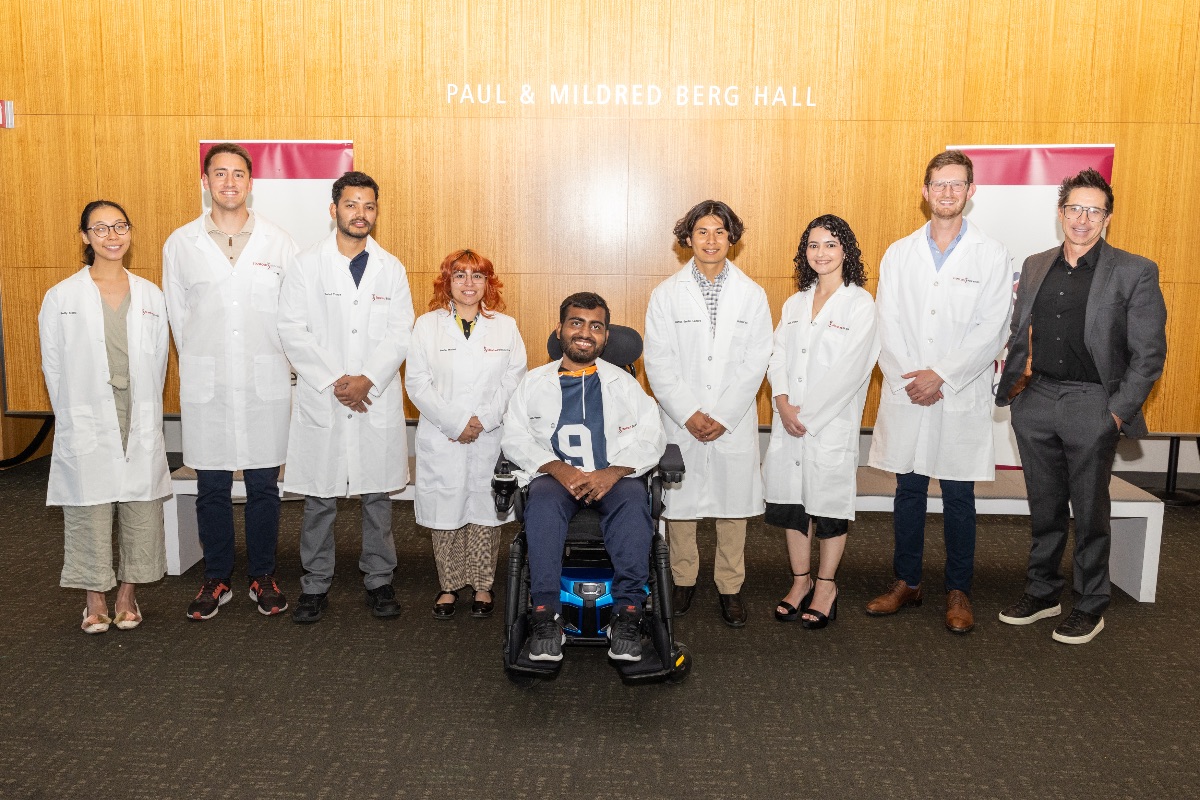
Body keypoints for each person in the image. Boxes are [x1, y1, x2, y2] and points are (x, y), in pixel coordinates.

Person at [995, 168, 1167, 645]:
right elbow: (1018, 334)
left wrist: (1115, 412)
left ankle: (1091, 604)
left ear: (1107, 219)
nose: (1082, 219)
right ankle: (1043, 591)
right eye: (1074, 209)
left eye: (1093, 211)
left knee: (1090, 511)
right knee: (1044, 504)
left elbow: (1149, 354)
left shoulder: (1134, 271)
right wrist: (1016, 393)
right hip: (1037, 400)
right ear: (1060, 213)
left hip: (1093, 403)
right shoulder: (1035, 265)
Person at [866, 150, 1013, 634]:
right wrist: (915, 377)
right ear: (925, 191)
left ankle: (958, 590)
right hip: (910, 389)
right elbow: (885, 322)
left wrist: (943, 376)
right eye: (938, 184)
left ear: (971, 192)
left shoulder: (990, 255)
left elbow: (992, 329)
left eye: (957, 184)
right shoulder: (899, 252)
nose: (947, 192)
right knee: (907, 490)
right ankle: (906, 581)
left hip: (958, 392)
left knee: (958, 493)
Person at [163, 142, 298, 620]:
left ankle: (264, 576)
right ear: (205, 182)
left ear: (250, 183)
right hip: (209, 381)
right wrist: (201, 361)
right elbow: (179, 319)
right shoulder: (181, 243)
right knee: (212, 487)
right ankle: (216, 577)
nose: (229, 182)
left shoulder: (279, 241)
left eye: (238, 174)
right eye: (219, 174)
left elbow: (292, 314)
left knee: (265, 486)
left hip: (265, 382)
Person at [277, 171, 414, 624]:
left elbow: (400, 334)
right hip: (328, 395)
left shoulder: (390, 267)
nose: (361, 214)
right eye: (352, 204)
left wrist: (367, 380)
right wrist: (339, 380)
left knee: (377, 496)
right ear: (334, 209)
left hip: (372, 396)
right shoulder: (306, 264)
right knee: (320, 495)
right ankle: (315, 584)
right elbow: (292, 329)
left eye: (369, 206)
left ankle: (379, 579)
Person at [501, 293, 666, 663]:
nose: (585, 333)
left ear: (606, 337)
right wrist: (557, 468)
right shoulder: (533, 383)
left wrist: (614, 472)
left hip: (614, 478)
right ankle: (546, 616)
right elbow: (514, 437)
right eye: (576, 322)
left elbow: (653, 437)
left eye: (596, 326)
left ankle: (626, 615)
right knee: (540, 499)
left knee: (633, 497)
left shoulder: (625, 386)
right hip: (555, 480)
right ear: (559, 329)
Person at [39, 200, 171, 633]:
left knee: (140, 506)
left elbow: (159, 363)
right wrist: (74, 418)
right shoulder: (61, 296)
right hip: (89, 413)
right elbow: (53, 366)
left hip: (138, 409)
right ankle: (94, 598)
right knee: (89, 506)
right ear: (85, 237)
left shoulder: (151, 295)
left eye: (120, 226)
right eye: (100, 228)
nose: (112, 236)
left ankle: (128, 594)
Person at [643, 200, 772, 627]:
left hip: (730, 421)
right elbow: (658, 363)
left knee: (732, 506)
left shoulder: (752, 295)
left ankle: (730, 586)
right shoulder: (665, 295)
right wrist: (688, 413)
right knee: (681, 503)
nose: (711, 239)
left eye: (720, 231)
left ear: (731, 239)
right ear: (688, 238)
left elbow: (757, 360)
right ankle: (683, 580)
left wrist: (725, 414)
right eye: (702, 231)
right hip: (684, 419)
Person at [762, 215, 880, 629]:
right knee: (794, 506)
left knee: (829, 508)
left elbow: (851, 371)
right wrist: (781, 402)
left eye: (831, 244)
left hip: (829, 426)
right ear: (804, 252)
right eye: (813, 245)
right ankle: (800, 582)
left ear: (846, 250)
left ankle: (826, 585)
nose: (821, 253)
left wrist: (805, 416)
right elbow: (776, 355)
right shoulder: (794, 304)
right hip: (789, 420)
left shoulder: (860, 304)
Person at [406, 249, 526, 619]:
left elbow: (514, 380)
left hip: (490, 434)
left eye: (477, 276)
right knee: (447, 508)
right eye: (460, 275)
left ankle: (483, 585)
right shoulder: (427, 326)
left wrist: (483, 420)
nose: (469, 283)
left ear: (489, 283)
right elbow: (417, 384)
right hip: (444, 436)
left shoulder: (506, 326)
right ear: (447, 281)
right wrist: (458, 423)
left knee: (485, 509)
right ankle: (449, 585)